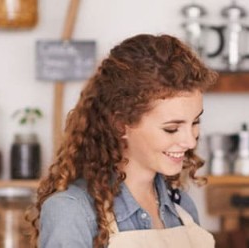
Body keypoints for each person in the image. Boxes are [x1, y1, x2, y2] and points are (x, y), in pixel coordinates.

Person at [30, 34, 218, 248]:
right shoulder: (73, 212)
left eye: (195, 122)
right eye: (172, 129)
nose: (190, 142)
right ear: (121, 124)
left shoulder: (182, 206)